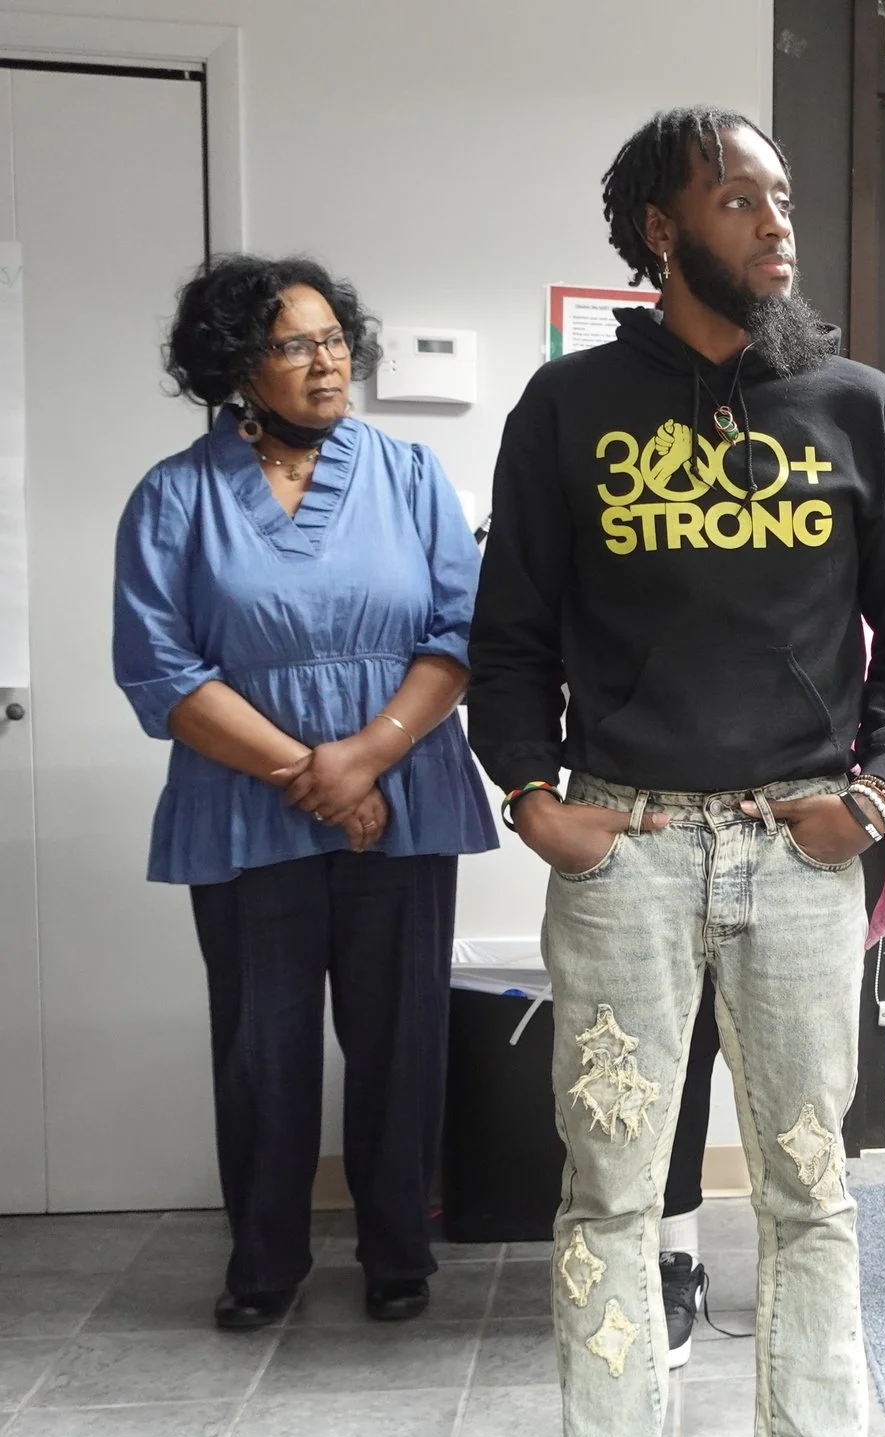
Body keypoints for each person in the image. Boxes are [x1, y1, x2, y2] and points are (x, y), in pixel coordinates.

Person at [467, 107, 885, 1437]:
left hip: (797, 859)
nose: (774, 220)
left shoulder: (855, 407)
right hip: (623, 855)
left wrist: (871, 795)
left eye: (781, 195)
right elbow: (508, 635)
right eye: (737, 197)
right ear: (660, 229)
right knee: (611, 1197)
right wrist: (534, 797)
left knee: (811, 1191)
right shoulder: (569, 409)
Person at [113, 255, 496, 1332]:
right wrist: (316, 776)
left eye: (335, 339)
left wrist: (367, 757)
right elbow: (160, 671)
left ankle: (397, 1249)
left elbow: (461, 632)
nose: (328, 362)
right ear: (238, 364)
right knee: (261, 1048)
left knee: (402, 1039)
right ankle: (265, 1259)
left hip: (402, 793)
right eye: (295, 345)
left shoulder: (409, 474)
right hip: (247, 806)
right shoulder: (174, 496)